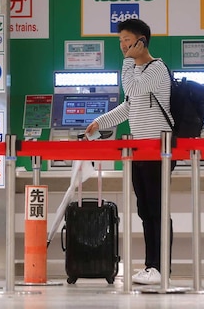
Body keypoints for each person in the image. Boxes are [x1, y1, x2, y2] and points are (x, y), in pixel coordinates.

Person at [84, 18, 174, 286]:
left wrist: (127, 63)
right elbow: (129, 105)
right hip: (140, 151)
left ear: (141, 41)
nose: (122, 46)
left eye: (126, 40)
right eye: (120, 41)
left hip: (158, 150)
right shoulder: (137, 72)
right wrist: (100, 122)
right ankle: (151, 266)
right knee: (145, 209)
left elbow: (132, 89)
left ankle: (161, 266)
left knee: (158, 208)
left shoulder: (156, 69)